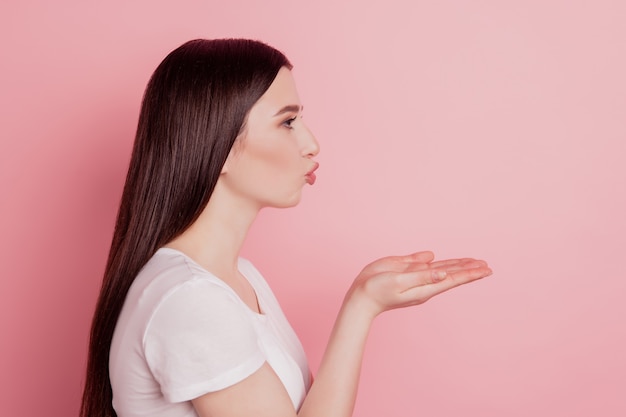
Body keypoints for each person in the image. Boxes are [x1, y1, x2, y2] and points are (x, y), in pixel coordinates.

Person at [80, 38, 492, 417]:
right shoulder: (190, 301)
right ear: (217, 146)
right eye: (287, 122)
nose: (311, 143)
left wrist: (362, 305)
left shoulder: (241, 279)